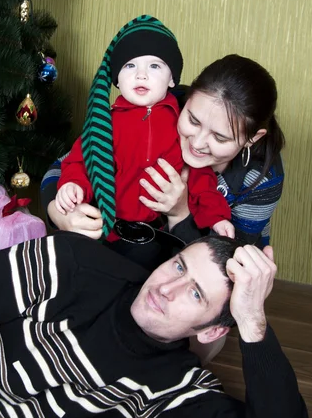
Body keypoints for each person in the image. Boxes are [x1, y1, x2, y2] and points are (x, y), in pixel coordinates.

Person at [0, 230, 310, 418]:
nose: (166, 288)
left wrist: (254, 326)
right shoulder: (73, 264)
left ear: (211, 330)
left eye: (195, 294)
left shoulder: (166, 385)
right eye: (178, 265)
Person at [43, 54, 285, 251]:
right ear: (186, 100)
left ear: (253, 138)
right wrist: (59, 210)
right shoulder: (157, 108)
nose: (198, 143)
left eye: (220, 137)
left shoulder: (262, 178)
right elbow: (65, 164)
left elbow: (226, 263)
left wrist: (180, 213)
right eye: (192, 120)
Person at [55, 15, 233, 248]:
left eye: (155, 66)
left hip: (154, 235)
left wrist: (216, 216)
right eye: (130, 65)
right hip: (102, 230)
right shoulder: (102, 123)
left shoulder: (182, 124)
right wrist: (72, 185)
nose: (141, 75)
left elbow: (201, 178)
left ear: (172, 79)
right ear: (116, 78)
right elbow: (79, 161)